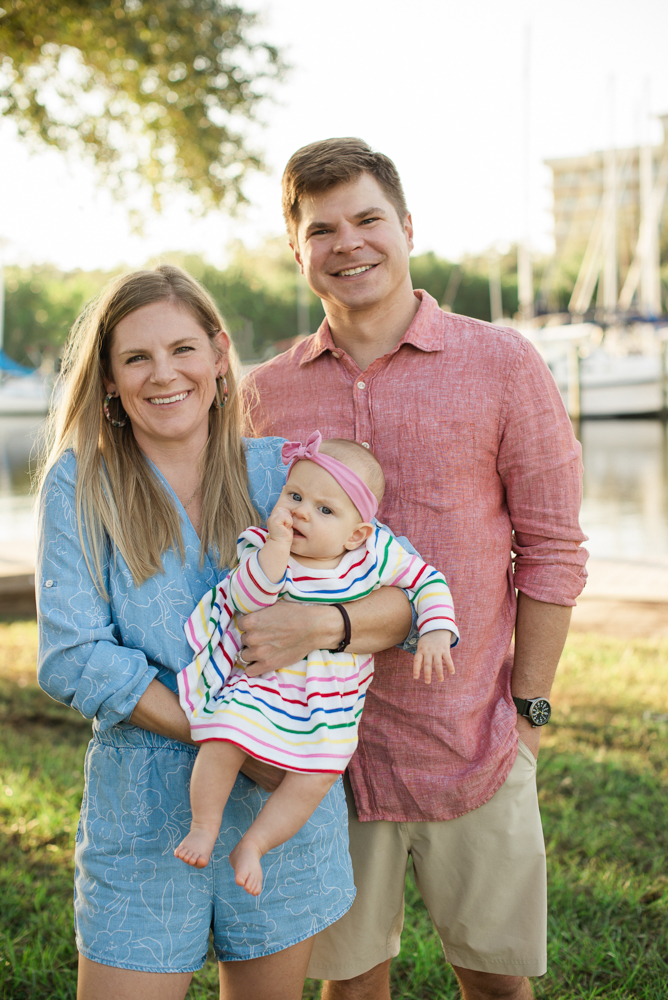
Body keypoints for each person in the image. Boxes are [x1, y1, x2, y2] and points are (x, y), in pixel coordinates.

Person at [242, 138, 589, 1000]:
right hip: (319, 758)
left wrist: (530, 713)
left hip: (471, 737)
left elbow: (551, 549)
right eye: (323, 228)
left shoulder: (502, 363)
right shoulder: (262, 395)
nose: (349, 242)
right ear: (298, 249)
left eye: (367, 219)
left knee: (498, 986)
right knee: (350, 986)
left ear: (406, 227)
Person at [36, 263, 415, 1000]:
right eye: (135, 357)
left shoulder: (288, 474)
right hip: (145, 812)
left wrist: (320, 624)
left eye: (182, 349)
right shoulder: (82, 485)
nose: (163, 374)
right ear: (110, 380)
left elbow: (399, 603)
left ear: (218, 355)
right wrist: (239, 741)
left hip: (280, 822)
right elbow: (72, 658)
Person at [174, 431, 458, 892]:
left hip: (332, 699)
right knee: (223, 738)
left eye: (325, 510)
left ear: (357, 533)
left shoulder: (376, 554)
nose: (301, 512)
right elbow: (247, 599)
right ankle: (203, 826)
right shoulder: (263, 546)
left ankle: (256, 844)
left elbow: (428, 582)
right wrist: (275, 552)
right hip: (265, 684)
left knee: (318, 775)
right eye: (295, 496)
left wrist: (436, 631)